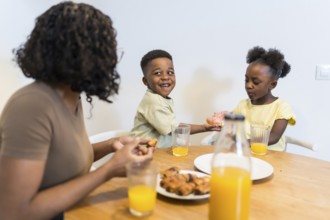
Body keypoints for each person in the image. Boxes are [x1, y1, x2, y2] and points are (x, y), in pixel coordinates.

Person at [0, 2, 153, 220]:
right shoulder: (32, 105)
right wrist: (108, 170)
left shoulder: (72, 95)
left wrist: (112, 145)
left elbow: (62, 158)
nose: (110, 59)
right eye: (103, 48)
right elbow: (14, 212)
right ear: (80, 54)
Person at [130, 49, 219, 148]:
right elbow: (174, 129)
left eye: (170, 72)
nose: (165, 77)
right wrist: (203, 127)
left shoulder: (160, 99)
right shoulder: (152, 101)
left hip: (158, 153)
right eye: (158, 73)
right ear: (145, 81)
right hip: (141, 153)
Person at [233, 46, 296, 151]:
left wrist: (246, 142)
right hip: (246, 155)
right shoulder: (242, 105)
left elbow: (274, 137)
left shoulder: (281, 107)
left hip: (272, 158)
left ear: (272, 85)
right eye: (246, 80)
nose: (249, 85)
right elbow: (231, 124)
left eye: (255, 82)